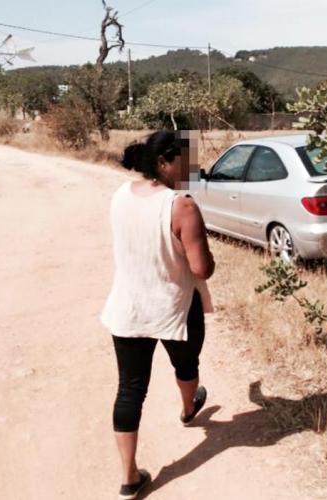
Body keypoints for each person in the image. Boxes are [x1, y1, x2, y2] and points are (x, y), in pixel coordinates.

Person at [100, 130, 215, 499]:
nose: (194, 167)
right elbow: (201, 269)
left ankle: (129, 477)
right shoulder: (182, 206)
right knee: (186, 364)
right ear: (164, 161)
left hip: (129, 308)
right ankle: (188, 409)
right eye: (187, 160)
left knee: (130, 389)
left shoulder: (121, 194)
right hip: (174, 309)